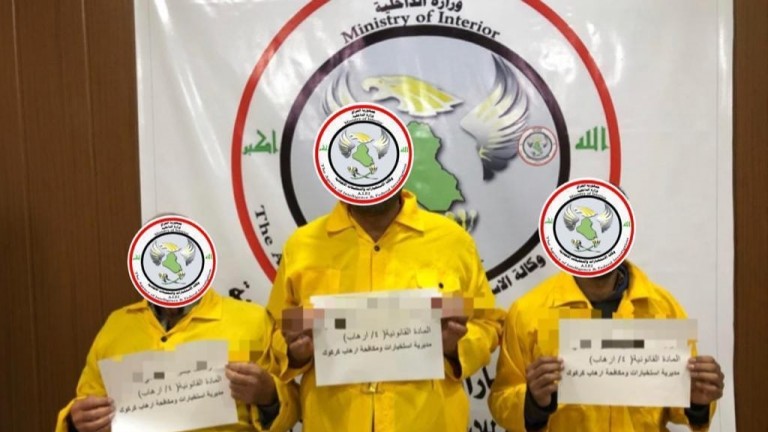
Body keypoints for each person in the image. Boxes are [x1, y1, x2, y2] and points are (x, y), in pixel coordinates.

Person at [266, 189, 503, 431]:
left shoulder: (453, 241)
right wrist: (295, 353)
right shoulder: (302, 246)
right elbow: (275, 329)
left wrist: (455, 347)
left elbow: (487, 324)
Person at [488, 260, 725, 431]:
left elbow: (681, 409)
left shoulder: (663, 309)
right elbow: (500, 401)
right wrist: (533, 403)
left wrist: (697, 401)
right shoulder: (527, 312)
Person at [55, 288, 300, 432]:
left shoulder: (251, 321)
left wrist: (269, 396)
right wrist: (76, 424)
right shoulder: (117, 326)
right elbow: (87, 401)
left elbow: (294, 407)